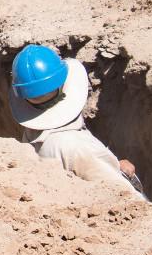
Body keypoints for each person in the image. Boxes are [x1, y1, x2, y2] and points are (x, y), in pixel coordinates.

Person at [10, 44, 143, 195]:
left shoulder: (33, 132)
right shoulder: (78, 149)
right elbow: (130, 202)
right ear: (65, 84)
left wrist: (111, 165)